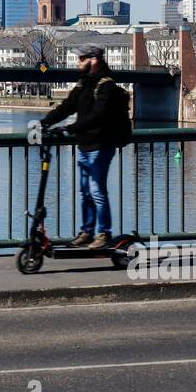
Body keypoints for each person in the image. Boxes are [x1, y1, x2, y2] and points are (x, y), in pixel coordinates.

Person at [40, 44, 127, 249]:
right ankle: (87, 232)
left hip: (100, 145)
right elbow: (68, 106)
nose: (79, 62)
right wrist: (45, 122)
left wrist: (70, 128)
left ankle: (104, 233)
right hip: (84, 145)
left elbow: (98, 116)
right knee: (85, 191)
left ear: (94, 59)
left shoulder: (106, 85)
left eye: (82, 59)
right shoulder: (84, 82)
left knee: (97, 190)